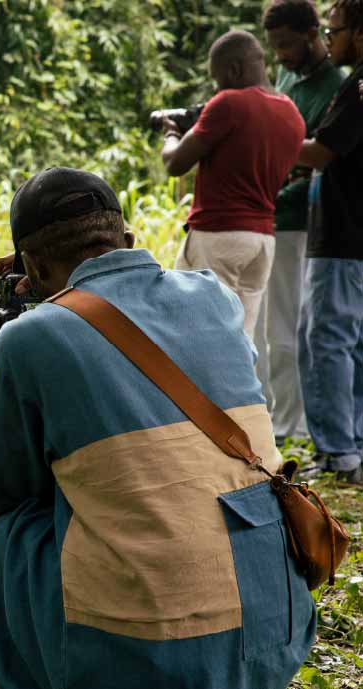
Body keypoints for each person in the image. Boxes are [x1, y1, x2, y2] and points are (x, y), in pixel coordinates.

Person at [0, 167, 314, 689]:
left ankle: (35, 669)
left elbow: (5, 491)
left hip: (141, 664)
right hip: (274, 635)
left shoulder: (29, 340)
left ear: (30, 266)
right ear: (127, 240)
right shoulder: (216, 297)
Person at [160, 30, 305, 339]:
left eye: (218, 79)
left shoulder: (229, 103)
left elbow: (175, 163)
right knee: (240, 341)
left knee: (193, 335)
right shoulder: (292, 114)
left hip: (219, 236)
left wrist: (171, 133)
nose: (217, 88)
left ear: (234, 69)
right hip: (262, 241)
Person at [258, 0, 346, 443]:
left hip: (299, 218)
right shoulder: (288, 76)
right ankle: (277, 416)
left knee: (291, 329)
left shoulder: (338, 85)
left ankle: (293, 425)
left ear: (314, 35)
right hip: (268, 213)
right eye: (274, 47)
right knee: (269, 329)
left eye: (288, 44)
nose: (281, 55)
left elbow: (318, 161)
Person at [294, 0, 363, 483]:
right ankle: (352, 445)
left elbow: (322, 151)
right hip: (352, 236)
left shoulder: (356, 86)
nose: (329, 38)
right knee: (350, 343)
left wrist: (263, 139)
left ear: (359, 32)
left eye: (334, 29)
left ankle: (340, 453)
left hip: (342, 235)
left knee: (326, 341)